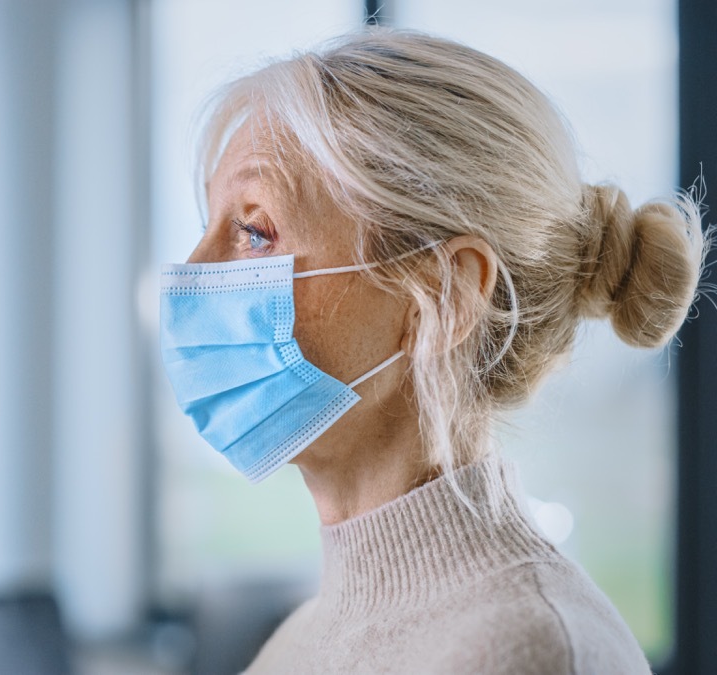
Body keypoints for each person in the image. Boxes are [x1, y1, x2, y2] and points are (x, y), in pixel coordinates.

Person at [158, 29, 707, 674]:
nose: (193, 272)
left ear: (444, 300)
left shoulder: (535, 650)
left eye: (254, 231)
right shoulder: (299, 641)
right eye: (207, 227)